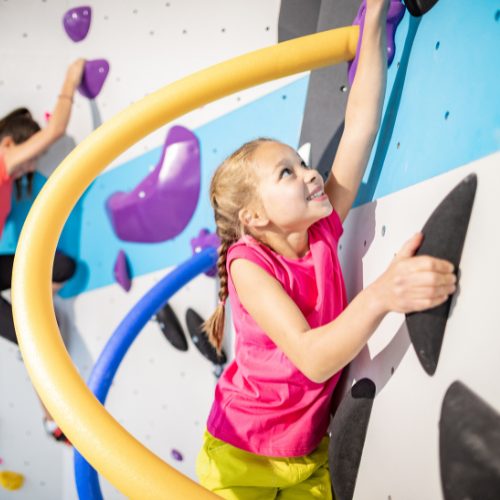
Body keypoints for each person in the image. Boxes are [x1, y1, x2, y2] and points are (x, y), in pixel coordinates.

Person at [196, 1, 457, 498]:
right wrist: (382, 295)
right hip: (241, 453)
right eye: (287, 173)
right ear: (254, 217)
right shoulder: (248, 263)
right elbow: (313, 359)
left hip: (307, 449)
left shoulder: (322, 228)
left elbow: (359, 127)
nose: (311, 173)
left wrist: (374, 19)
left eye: (301, 163)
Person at [0, 58, 85, 444]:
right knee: (31, 334)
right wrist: (70, 78)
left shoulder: (8, 179)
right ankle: (54, 420)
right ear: (9, 144)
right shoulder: (3, 159)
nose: (30, 165)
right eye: (29, 157)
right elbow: (56, 130)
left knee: (61, 267)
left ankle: (52, 420)